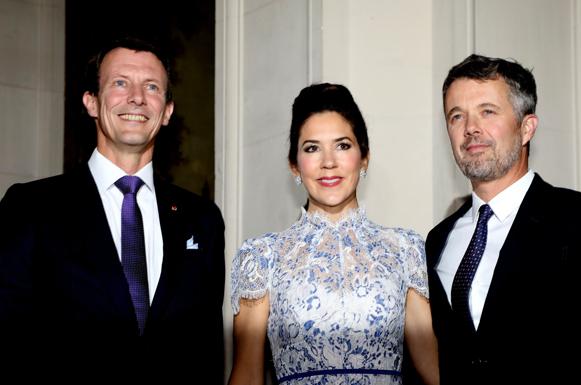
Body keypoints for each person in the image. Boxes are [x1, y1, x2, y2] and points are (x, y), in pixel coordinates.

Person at [0, 37, 225, 381]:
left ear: (166, 111)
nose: (136, 96)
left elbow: (207, 352)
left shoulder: (203, 220)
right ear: (91, 102)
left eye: (151, 86)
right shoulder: (31, 207)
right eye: (120, 83)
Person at [426, 53, 581, 385]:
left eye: (487, 112)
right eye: (456, 116)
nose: (470, 128)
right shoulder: (437, 240)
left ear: (526, 127)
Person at [229, 83, 439, 385]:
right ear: (294, 166)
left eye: (343, 145)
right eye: (312, 148)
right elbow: (247, 373)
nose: (329, 162)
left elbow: (433, 366)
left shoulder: (405, 249)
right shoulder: (262, 257)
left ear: (364, 157)